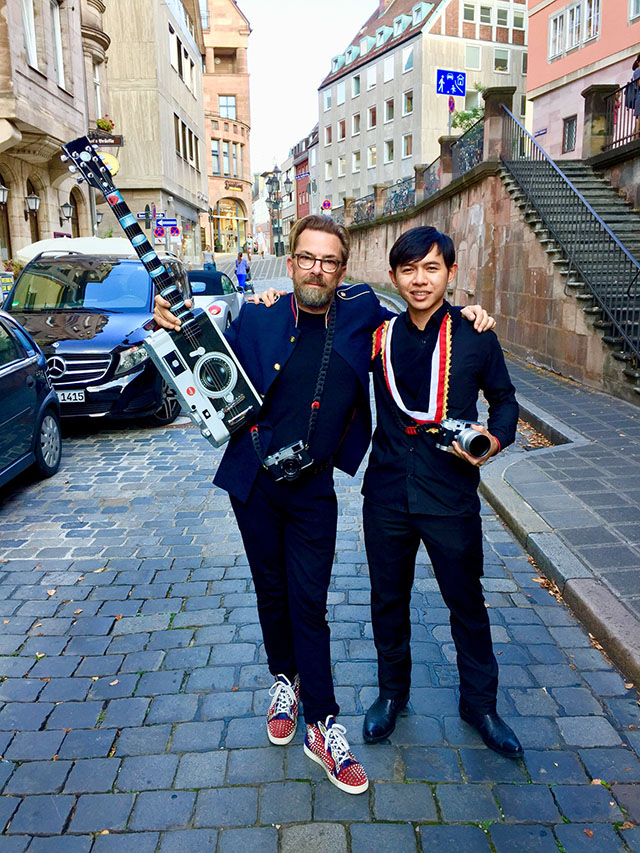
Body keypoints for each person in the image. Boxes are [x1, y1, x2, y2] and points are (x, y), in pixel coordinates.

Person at [153, 215, 493, 794]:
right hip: (254, 482)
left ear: (343, 269)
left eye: (329, 261)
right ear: (290, 264)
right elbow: (200, 358)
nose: (317, 269)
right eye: (307, 258)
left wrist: (468, 315)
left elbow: (421, 322)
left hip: (313, 487)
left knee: (310, 601)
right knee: (272, 592)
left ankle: (323, 722)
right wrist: (168, 322)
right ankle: (283, 681)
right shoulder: (256, 312)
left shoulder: (361, 314)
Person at [361, 226, 523, 760]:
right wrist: (272, 297)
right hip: (386, 489)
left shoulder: (477, 334)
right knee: (388, 599)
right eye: (408, 269)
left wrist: (492, 442)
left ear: (451, 274)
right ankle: (392, 693)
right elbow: (320, 313)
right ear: (394, 277)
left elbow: (504, 401)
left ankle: (480, 705)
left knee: (466, 602)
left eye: (431, 268)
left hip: (449, 492)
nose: (419, 279)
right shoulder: (379, 335)